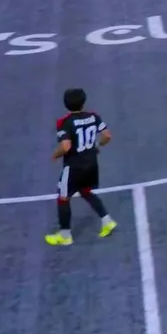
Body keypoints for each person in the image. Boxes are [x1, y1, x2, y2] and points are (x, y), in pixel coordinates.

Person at [47, 88, 118, 246]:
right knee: (85, 191)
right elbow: (107, 135)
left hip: (74, 167)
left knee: (63, 197)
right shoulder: (93, 116)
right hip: (91, 164)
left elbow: (65, 146)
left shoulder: (64, 122)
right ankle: (107, 220)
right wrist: (97, 145)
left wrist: (55, 155)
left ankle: (65, 235)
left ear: (65, 104)